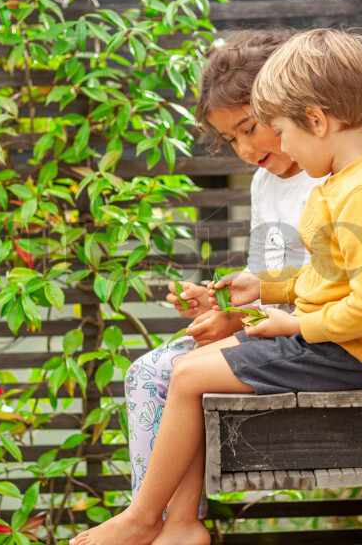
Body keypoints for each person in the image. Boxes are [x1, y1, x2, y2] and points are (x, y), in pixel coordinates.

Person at [70, 28, 362, 545]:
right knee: (187, 370)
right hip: (329, 342)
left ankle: (146, 518)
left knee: (187, 377)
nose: (281, 148)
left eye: (277, 131)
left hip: (350, 353)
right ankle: (174, 524)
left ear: (316, 120)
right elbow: (322, 277)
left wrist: (293, 321)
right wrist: (261, 290)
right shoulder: (343, 185)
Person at [123, 30, 328, 506]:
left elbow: (319, 294)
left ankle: (162, 523)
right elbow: (266, 282)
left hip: (309, 340)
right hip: (271, 330)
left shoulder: (330, 181)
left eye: (250, 127)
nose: (241, 147)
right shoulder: (263, 181)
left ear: (290, 104)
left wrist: (236, 321)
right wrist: (219, 305)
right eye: (229, 137)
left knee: (157, 374)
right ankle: (164, 523)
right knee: (145, 374)